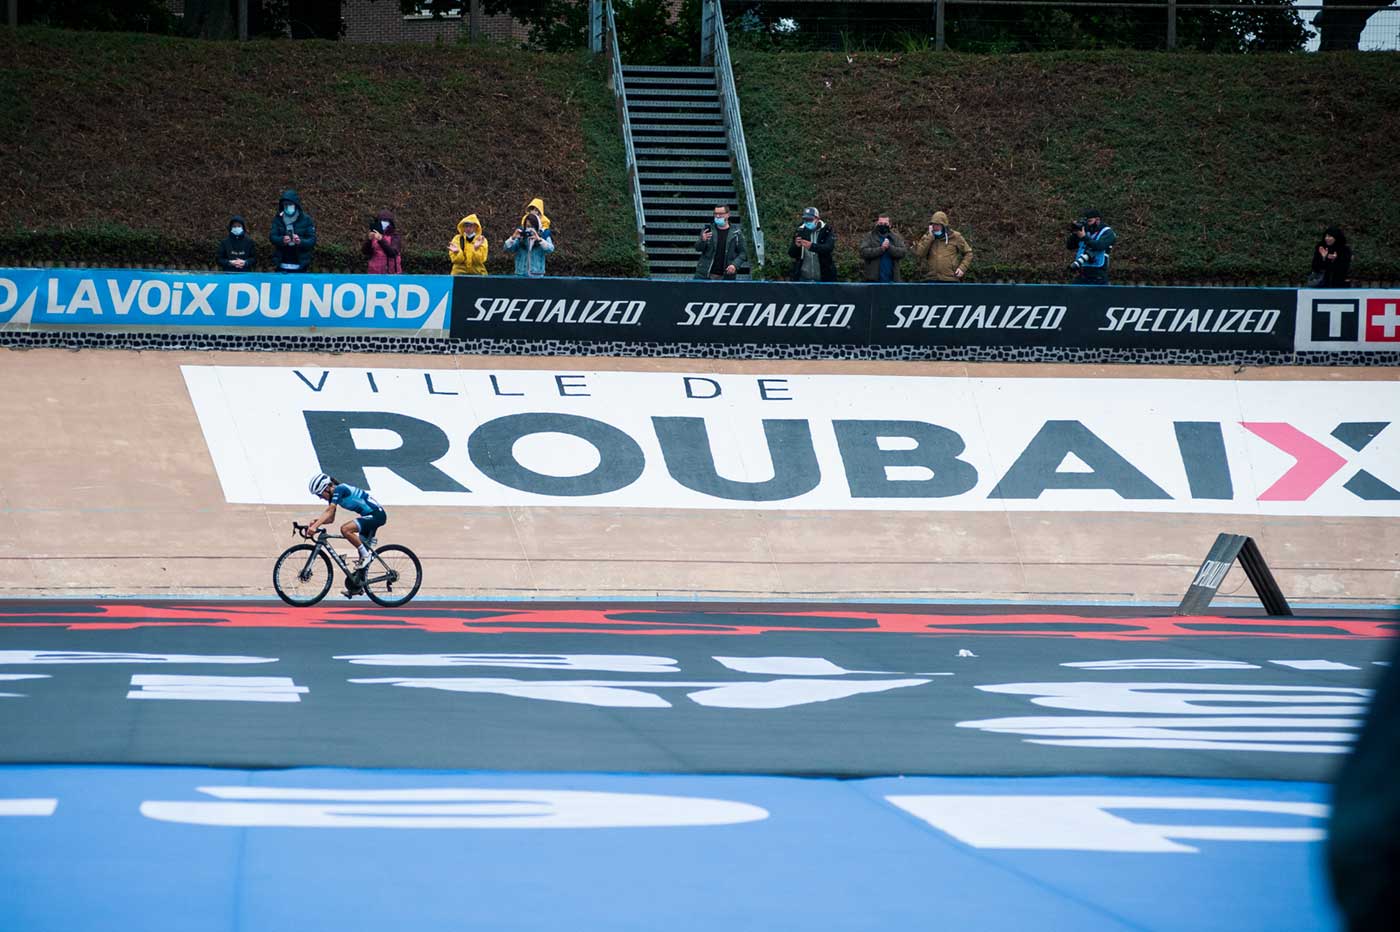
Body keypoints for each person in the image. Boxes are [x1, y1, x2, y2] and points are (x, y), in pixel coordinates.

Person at [304, 472, 387, 598]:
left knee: (345, 529)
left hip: (376, 515)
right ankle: (357, 586)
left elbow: (330, 510)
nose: (320, 498)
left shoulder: (340, 489)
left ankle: (366, 556)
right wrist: (316, 522)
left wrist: (315, 527)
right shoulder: (333, 496)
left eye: (320, 494)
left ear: (327, 488)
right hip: (369, 516)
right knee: (361, 554)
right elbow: (330, 518)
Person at [915, 211, 973, 283]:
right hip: (931, 278)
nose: (935, 227)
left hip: (951, 279)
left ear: (944, 226)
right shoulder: (927, 237)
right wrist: (930, 237)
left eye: (938, 225)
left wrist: (962, 268)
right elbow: (919, 254)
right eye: (933, 224)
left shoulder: (955, 236)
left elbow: (968, 253)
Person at [269, 188, 317, 273]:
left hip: (300, 265)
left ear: (296, 205)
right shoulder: (278, 219)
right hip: (281, 265)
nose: (288, 207)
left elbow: (312, 240)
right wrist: (282, 240)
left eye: (290, 204)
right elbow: (272, 237)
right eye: (285, 205)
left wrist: (300, 241)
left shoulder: (306, 219)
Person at [694, 204, 745, 280]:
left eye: (721, 214)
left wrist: (734, 265)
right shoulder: (708, 230)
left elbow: (743, 253)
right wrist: (703, 240)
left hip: (727, 276)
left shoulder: (736, 233)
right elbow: (698, 248)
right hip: (705, 274)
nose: (717, 216)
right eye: (715, 213)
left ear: (728, 215)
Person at [503, 202, 554, 277]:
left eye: (532, 226)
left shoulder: (544, 234)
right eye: (528, 226)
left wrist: (539, 240)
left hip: (537, 274)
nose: (530, 229)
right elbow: (507, 248)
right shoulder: (521, 235)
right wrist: (513, 238)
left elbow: (550, 249)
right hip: (520, 274)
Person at [1066, 207, 1115, 284]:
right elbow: (1070, 246)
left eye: (1090, 221)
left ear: (1097, 220)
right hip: (1083, 271)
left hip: (1098, 273)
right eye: (1086, 221)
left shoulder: (1107, 232)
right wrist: (1074, 233)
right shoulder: (1085, 230)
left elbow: (1099, 246)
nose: (1088, 224)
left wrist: (1084, 237)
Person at [788, 206, 837, 282]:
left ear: (817, 219)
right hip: (803, 278)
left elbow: (829, 248)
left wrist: (812, 246)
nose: (807, 222)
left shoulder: (827, 230)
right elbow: (791, 254)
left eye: (810, 219)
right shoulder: (800, 230)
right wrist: (796, 246)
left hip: (824, 277)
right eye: (805, 219)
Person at [859, 213, 910, 283]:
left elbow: (903, 252)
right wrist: (881, 249)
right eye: (880, 223)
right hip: (873, 281)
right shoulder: (869, 236)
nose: (883, 225)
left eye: (885, 224)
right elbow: (863, 252)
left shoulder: (895, 237)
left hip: (892, 280)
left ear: (890, 225)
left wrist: (889, 247)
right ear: (877, 223)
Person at [363, 210, 402, 274]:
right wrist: (369, 240)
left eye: (386, 221)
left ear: (390, 223)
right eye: (381, 220)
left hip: (391, 273)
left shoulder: (395, 236)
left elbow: (393, 253)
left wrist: (381, 240)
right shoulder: (374, 235)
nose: (383, 223)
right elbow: (365, 252)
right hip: (374, 272)